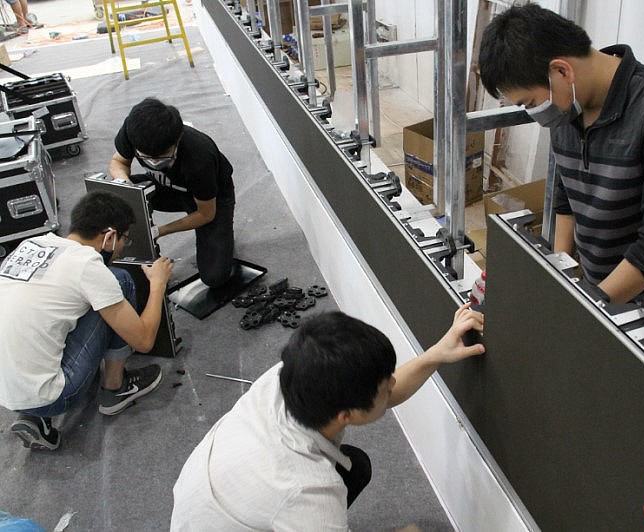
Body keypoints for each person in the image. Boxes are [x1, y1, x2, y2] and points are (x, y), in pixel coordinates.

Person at [478, 4, 644, 307]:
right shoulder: (567, 107)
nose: (536, 115)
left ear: (561, 71)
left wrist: (586, 309)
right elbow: (566, 195)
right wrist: (562, 274)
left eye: (531, 103)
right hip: (602, 295)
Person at [170, 304, 485, 530]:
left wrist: (435, 354)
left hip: (216, 498)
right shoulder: (307, 491)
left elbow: (380, 395)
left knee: (354, 467)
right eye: (385, 385)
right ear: (344, 415)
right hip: (219, 510)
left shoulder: (295, 372)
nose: (393, 383)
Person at [0, 191, 174, 451]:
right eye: (124, 239)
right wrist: (158, 283)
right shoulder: (86, 265)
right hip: (55, 396)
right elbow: (145, 340)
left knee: (58, 310)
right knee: (119, 280)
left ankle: (35, 415)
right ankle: (116, 387)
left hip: (6, 392)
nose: (122, 247)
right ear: (109, 237)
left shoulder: (32, 244)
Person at [109, 97, 236, 288]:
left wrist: (160, 231)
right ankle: (143, 255)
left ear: (177, 140)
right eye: (146, 157)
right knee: (114, 196)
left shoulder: (199, 158)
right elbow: (118, 162)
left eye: (162, 157)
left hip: (210, 198)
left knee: (214, 277)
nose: (154, 162)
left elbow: (206, 214)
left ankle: (222, 237)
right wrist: (127, 188)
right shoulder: (133, 130)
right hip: (165, 187)